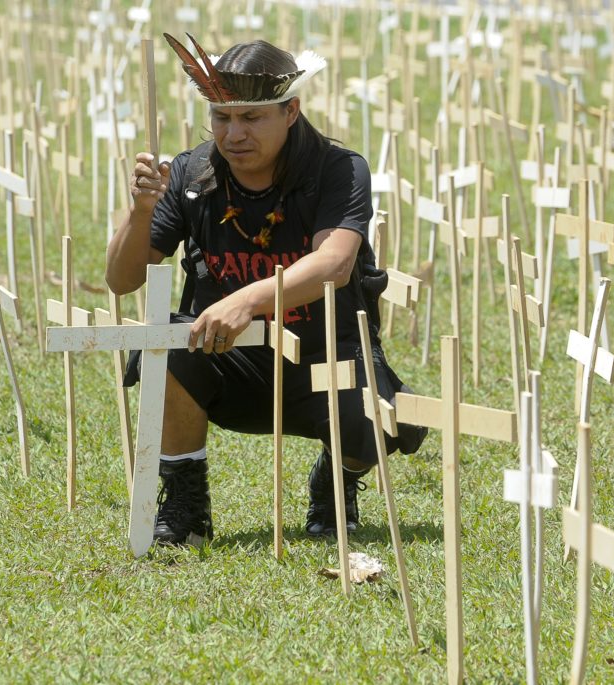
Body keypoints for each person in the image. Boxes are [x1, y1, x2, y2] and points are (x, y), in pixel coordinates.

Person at [105, 33, 424, 547]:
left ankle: (337, 478)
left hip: (325, 357)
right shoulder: (191, 172)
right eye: (221, 117)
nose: (234, 134)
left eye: (251, 118)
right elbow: (121, 280)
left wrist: (246, 299)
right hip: (223, 353)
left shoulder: (338, 170)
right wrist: (141, 212)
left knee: (376, 429)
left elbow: (334, 264)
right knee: (164, 343)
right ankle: (186, 503)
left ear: (291, 110)